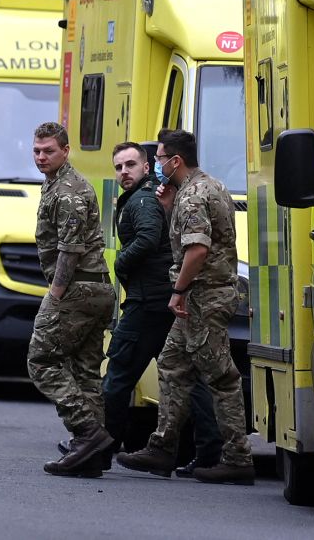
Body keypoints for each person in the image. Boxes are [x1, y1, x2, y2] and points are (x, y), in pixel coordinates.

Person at [116, 129, 254, 485]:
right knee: (173, 364)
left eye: (160, 158)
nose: (157, 165)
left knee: (221, 377)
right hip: (203, 295)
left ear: (175, 160)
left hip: (203, 297)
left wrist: (177, 291)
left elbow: (197, 250)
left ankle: (237, 457)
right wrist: (167, 206)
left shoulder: (193, 196)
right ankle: (162, 447)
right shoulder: (210, 185)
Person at [95, 141, 223, 475]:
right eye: (119, 167)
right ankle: (210, 452)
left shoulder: (141, 200)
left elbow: (149, 238)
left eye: (131, 165)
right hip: (165, 298)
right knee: (186, 377)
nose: (124, 172)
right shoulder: (154, 194)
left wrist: (121, 263)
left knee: (118, 374)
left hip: (148, 303)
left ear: (147, 164)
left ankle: (98, 448)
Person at [28, 121, 116, 478]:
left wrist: (56, 295)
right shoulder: (55, 184)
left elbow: (69, 250)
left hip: (77, 289)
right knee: (84, 373)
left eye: (48, 150)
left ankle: (87, 432)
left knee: (41, 361)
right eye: (36, 150)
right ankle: (91, 456)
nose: (40, 157)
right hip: (92, 289)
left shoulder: (69, 190)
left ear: (65, 150)